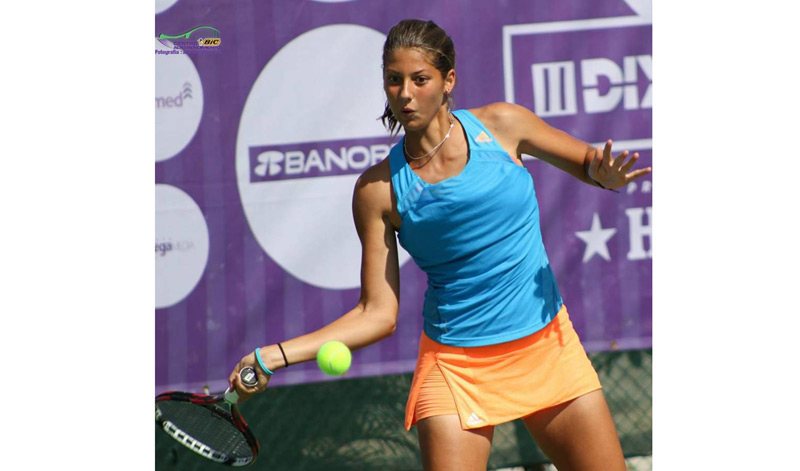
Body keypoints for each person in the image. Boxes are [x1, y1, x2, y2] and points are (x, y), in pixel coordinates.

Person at [230, 18, 651, 471]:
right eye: (394, 80)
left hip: (548, 348)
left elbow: (589, 162)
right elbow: (377, 314)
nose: (405, 94)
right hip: (455, 368)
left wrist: (604, 174)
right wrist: (274, 356)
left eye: (420, 79)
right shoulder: (377, 191)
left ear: (448, 80)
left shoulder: (504, 125)